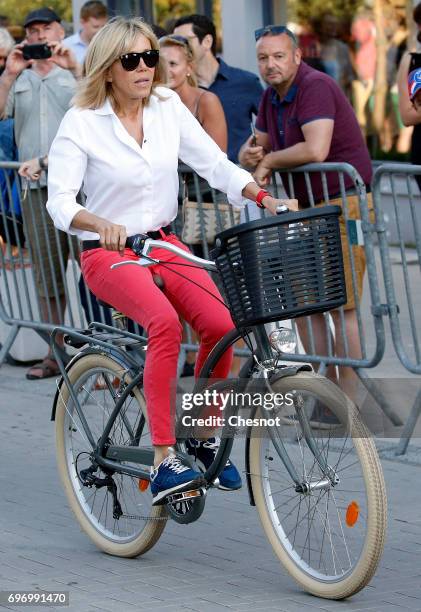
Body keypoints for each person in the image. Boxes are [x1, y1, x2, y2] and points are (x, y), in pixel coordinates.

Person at [46, 17, 298, 505]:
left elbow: (214, 162)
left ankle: (202, 437)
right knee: (164, 324)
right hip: (110, 253)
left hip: (164, 243)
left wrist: (262, 196)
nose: (143, 68)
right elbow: (59, 202)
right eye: (130, 60)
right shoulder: (82, 122)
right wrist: (100, 224)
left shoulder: (164, 106)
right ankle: (165, 458)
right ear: (107, 68)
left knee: (221, 322)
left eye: (149, 58)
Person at [238, 24, 373, 413]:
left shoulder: (315, 86)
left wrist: (268, 161)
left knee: (342, 303)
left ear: (297, 56)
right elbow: (258, 145)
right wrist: (250, 155)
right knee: (309, 303)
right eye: (263, 58)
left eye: (279, 56)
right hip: (304, 206)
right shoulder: (270, 96)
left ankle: (348, 401)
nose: (270, 65)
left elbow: (316, 148)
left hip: (341, 202)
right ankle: (323, 395)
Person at [0, 7, 81, 379]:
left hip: (81, 188)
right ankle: (56, 354)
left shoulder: (75, 71)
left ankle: (108, 354)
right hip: (35, 189)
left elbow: (98, 111)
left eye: (45, 28)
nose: (38, 36)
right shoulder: (18, 77)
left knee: (95, 272)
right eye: (31, 31)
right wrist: (9, 74)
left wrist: (76, 67)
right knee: (47, 277)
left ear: (59, 31)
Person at [172, 14, 263, 163]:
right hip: (197, 183)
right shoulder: (179, 88)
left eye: (185, 41)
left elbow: (272, 125)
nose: (178, 47)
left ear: (207, 42)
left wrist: (262, 157)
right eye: (175, 41)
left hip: (239, 179)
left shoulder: (246, 81)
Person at [159, 34, 227, 149]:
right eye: (160, 64)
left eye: (172, 64)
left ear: (189, 68)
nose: (165, 70)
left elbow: (219, 160)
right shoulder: (151, 101)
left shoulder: (207, 101)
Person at [64, 0, 108, 65]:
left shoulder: (110, 45)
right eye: (95, 27)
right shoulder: (66, 46)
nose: (100, 31)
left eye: (103, 26)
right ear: (82, 22)